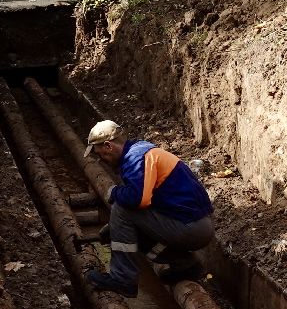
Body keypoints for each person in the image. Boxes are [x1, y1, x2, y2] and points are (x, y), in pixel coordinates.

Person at [82, 120, 214, 295]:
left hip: (190, 227)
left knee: (121, 208)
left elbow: (138, 200)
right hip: (193, 224)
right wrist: (116, 228)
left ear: (108, 146)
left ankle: (122, 279)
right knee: (129, 223)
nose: (101, 160)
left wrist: (114, 193)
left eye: (101, 155)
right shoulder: (140, 150)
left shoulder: (136, 159)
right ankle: (184, 264)